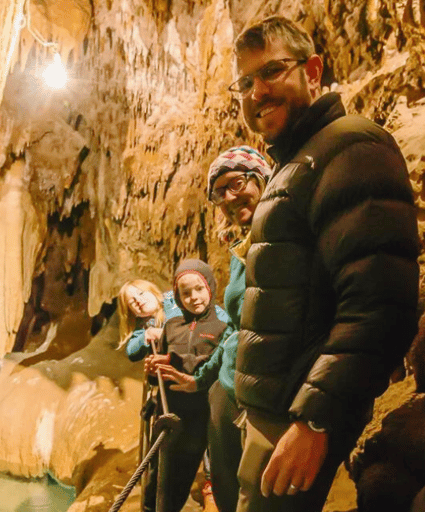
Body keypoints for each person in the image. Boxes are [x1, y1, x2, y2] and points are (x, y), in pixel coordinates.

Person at [229, 16, 419, 512]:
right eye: (245, 82)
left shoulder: (351, 147)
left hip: (298, 418)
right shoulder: (296, 163)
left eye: (272, 71)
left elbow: (379, 305)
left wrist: (315, 420)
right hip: (275, 412)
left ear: (313, 71)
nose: (257, 91)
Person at [159, 145, 272, 512]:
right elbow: (235, 331)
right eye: (219, 192)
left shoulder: (285, 238)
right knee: (228, 492)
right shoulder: (242, 249)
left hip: (266, 393)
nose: (228, 197)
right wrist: (200, 380)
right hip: (227, 386)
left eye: (236, 183)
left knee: (260, 496)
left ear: (261, 178)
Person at [143, 259, 232, 512]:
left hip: (206, 416)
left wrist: (178, 361)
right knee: (160, 487)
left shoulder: (223, 327)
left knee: (219, 486)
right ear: (177, 296)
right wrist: (153, 371)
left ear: (210, 287)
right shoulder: (171, 326)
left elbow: (218, 364)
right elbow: (161, 372)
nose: (193, 297)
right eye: (185, 293)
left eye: (199, 289)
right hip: (171, 416)